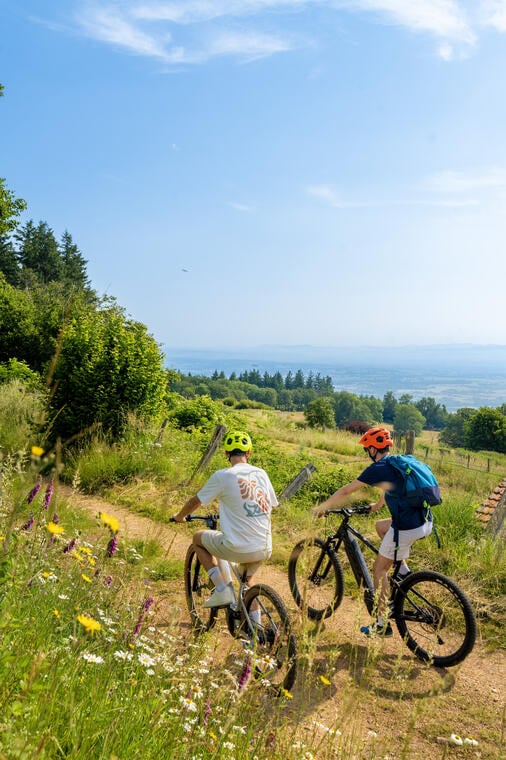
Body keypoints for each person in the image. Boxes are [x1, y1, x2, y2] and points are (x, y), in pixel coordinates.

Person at [312, 426, 433, 637]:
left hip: (406, 527)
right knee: (380, 527)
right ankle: (403, 570)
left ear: (373, 449)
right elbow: (390, 489)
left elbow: (347, 490)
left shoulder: (378, 468)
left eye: (367, 448)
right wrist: (376, 507)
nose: (367, 453)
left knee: (379, 570)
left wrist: (323, 506)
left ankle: (381, 624)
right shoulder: (398, 462)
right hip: (424, 521)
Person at [173, 430, 278, 609]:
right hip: (264, 547)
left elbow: (195, 501)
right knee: (247, 584)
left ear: (226, 454)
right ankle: (254, 633)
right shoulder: (262, 473)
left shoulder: (223, 475)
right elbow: (271, 504)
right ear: (249, 453)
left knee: (198, 538)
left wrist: (179, 516)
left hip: (237, 547)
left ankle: (222, 588)